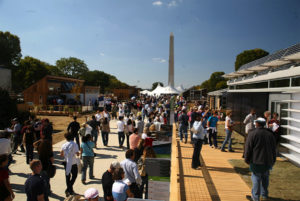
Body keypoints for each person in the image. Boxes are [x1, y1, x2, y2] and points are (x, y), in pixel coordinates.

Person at [244, 118, 276, 201]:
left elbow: (248, 148)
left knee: (256, 177)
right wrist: (273, 159)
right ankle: (264, 195)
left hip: (256, 160)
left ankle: (255, 197)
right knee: (265, 177)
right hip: (268, 160)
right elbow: (274, 148)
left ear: (257, 124)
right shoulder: (270, 134)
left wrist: (246, 158)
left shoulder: (252, 133)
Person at [61, 132, 79, 197]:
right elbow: (77, 153)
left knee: (67, 177)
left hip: (66, 162)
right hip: (73, 162)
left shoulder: (64, 145)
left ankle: (69, 190)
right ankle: (69, 189)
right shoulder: (74, 144)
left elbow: (61, 154)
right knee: (74, 175)